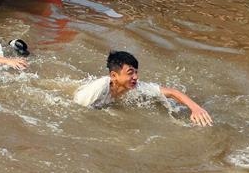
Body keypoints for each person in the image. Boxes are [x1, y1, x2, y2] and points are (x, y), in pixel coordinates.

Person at [74, 51, 213, 125]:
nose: (135, 77)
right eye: (130, 73)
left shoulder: (136, 88)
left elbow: (171, 92)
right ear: (114, 75)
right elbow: (77, 108)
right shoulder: (98, 88)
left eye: (136, 72)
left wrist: (196, 108)